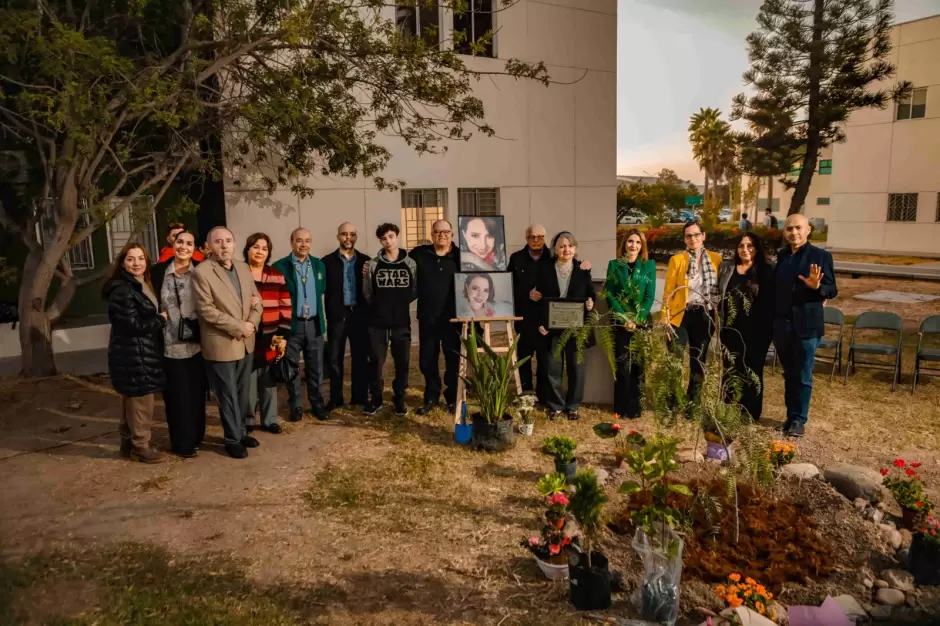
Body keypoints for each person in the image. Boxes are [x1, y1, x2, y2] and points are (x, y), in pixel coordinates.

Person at [193, 226, 263, 459]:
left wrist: (251, 323)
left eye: (228, 241)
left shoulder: (243, 268)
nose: (224, 246)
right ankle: (232, 439)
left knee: (243, 392)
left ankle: (241, 432)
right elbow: (206, 310)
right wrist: (239, 326)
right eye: (218, 242)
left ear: (234, 244)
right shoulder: (202, 272)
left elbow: (257, 302)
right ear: (209, 246)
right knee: (228, 394)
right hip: (221, 343)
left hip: (246, 340)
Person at [103, 243, 167, 463]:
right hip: (133, 353)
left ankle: (128, 442)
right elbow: (131, 325)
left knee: (131, 400)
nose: (137, 263)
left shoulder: (138, 283)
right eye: (131, 259)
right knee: (141, 401)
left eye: (141, 258)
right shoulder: (123, 290)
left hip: (136, 351)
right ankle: (140, 447)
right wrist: (160, 320)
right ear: (123, 263)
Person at [773, 214, 837, 438]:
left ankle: (799, 419)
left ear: (808, 230)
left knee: (802, 374)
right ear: (784, 232)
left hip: (807, 326)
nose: (794, 232)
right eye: (789, 229)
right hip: (782, 325)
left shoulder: (821, 256)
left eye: (798, 228)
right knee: (789, 373)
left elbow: (832, 289)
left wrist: (817, 287)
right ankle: (790, 416)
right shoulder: (781, 257)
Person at [153, 230, 206, 458]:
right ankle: (181, 443)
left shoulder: (202, 272)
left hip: (198, 344)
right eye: (180, 242)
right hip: (169, 344)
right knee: (176, 397)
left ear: (195, 248)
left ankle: (196, 437)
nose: (184, 246)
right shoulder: (157, 273)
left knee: (196, 394)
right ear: (172, 243)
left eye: (189, 243)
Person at [534, 232, 596, 421]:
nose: (566, 249)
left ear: (575, 249)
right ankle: (556, 405)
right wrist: (540, 324)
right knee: (553, 367)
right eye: (561, 246)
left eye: (569, 246)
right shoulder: (545, 270)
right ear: (555, 249)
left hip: (576, 328)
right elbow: (538, 300)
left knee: (576, 367)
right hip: (553, 328)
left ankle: (573, 406)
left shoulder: (583, 269)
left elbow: (590, 294)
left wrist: (591, 303)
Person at [663, 220, 723, 412]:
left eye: (696, 234)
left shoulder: (716, 259)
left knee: (699, 360)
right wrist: (665, 318)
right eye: (689, 236)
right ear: (684, 239)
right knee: (675, 358)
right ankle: (673, 400)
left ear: (703, 236)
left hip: (704, 315)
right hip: (680, 315)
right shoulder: (677, 260)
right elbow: (668, 292)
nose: (693, 239)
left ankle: (693, 403)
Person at [272, 228, 330, 421]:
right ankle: (295, 406)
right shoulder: (280, 266)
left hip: (314, 324)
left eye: (307, 240)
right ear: (291, 243)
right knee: (292, 369)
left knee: (316, 368)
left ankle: (317, 404)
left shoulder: (319, 265)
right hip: (292, 326)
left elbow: (321, 292)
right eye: (299, 240)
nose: (303, 244)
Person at [718, 232, 775, 422]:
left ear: (756, 249)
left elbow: (771, 302)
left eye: (749, 246)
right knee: (731, 369)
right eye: (741, 246)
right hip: (730, 329)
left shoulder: (766, 271)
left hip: (757, 331)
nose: (745, 250)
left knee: (753, 371)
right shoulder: (727, 268)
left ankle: (750, 413)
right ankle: (728, 407)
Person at [362, 223, 417, 416]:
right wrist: (381, 307)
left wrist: (398, 303)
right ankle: (376, 399)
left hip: (401, 323)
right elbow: (367, 292)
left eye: (391, 236)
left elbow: (414, 290)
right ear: (380, 241)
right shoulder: (372, 265)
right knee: (376, 363)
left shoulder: (410, 264)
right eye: (384, 238)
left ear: (397, 237)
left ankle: (399, 398)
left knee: (402, 363)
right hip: (377, 324)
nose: (388, 241)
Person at [409, 219, 461, 415]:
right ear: (431, 234)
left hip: (453, 319)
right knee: (427, 359)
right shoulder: (419, 254)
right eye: (437, 232)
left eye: (446, 232)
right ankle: (431, 396)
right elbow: (397, 260)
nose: (442, 235)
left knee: (453, 359)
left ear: (452, 235)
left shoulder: (460, 257)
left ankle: (451, 397)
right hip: (428, 318)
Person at [604, 229, 656, 419]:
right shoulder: (614, 265)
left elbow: (649, 296)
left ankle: (635, 408)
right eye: (630, 242)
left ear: (642, 246)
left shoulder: (648, 265)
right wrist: (625, 318)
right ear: (624, 244)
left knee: (638, 365)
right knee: (622, 365)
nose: (633, 246)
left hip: (641, 322)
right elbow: (609, 293)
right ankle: (621, 407)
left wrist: (637, 319)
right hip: (621, 322)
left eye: (637, 242)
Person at [245, 233, 291, 434]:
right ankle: (246, 420)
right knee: (248, 379)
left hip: (271, 336)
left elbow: (285, 305)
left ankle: (269, 419)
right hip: (247, 335)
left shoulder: (276, 275)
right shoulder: (239, 273)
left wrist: (281, 335)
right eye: (256, 247)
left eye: (264, 248)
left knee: (268, 378)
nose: (260, 251)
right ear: (248, 249)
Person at [322, 222, 370, 410]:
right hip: (337, 316)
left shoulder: (366, 261)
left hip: (359, 315)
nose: (348, 237)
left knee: (360, 357)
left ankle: (359, 396)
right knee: (335, 358)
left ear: (356, 236)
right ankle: (336, 398)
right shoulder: (326, 262)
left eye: (352, 234)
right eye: (344, 234)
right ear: (338, 236)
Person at [508, 224, 554, 399]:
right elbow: (509, 285)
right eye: (532, 236)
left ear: (545, 238)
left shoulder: (552, 257)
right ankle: (526, 392)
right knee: (524, 357)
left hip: (546, 316)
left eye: (540, 236)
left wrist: (584, 265)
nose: (536, 240)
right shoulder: (516, 258)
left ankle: (543, 394)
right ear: (526, 238)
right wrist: (526, 293)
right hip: (524, 316)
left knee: (545, 359)